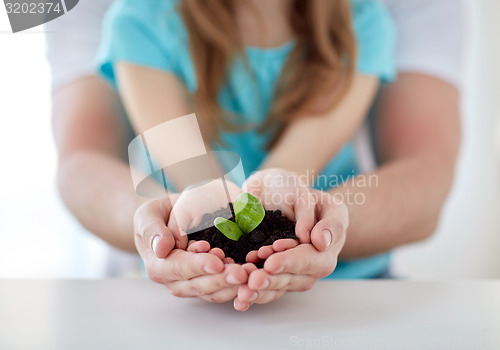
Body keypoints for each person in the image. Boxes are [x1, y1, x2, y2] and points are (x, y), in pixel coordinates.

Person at [46, 0, 464, 311]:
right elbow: (194, 172)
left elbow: (294, 162)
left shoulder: (362, 25)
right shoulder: (140, 22)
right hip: (183, 297)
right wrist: (203, 205)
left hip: (347, 288)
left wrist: (285, 197)